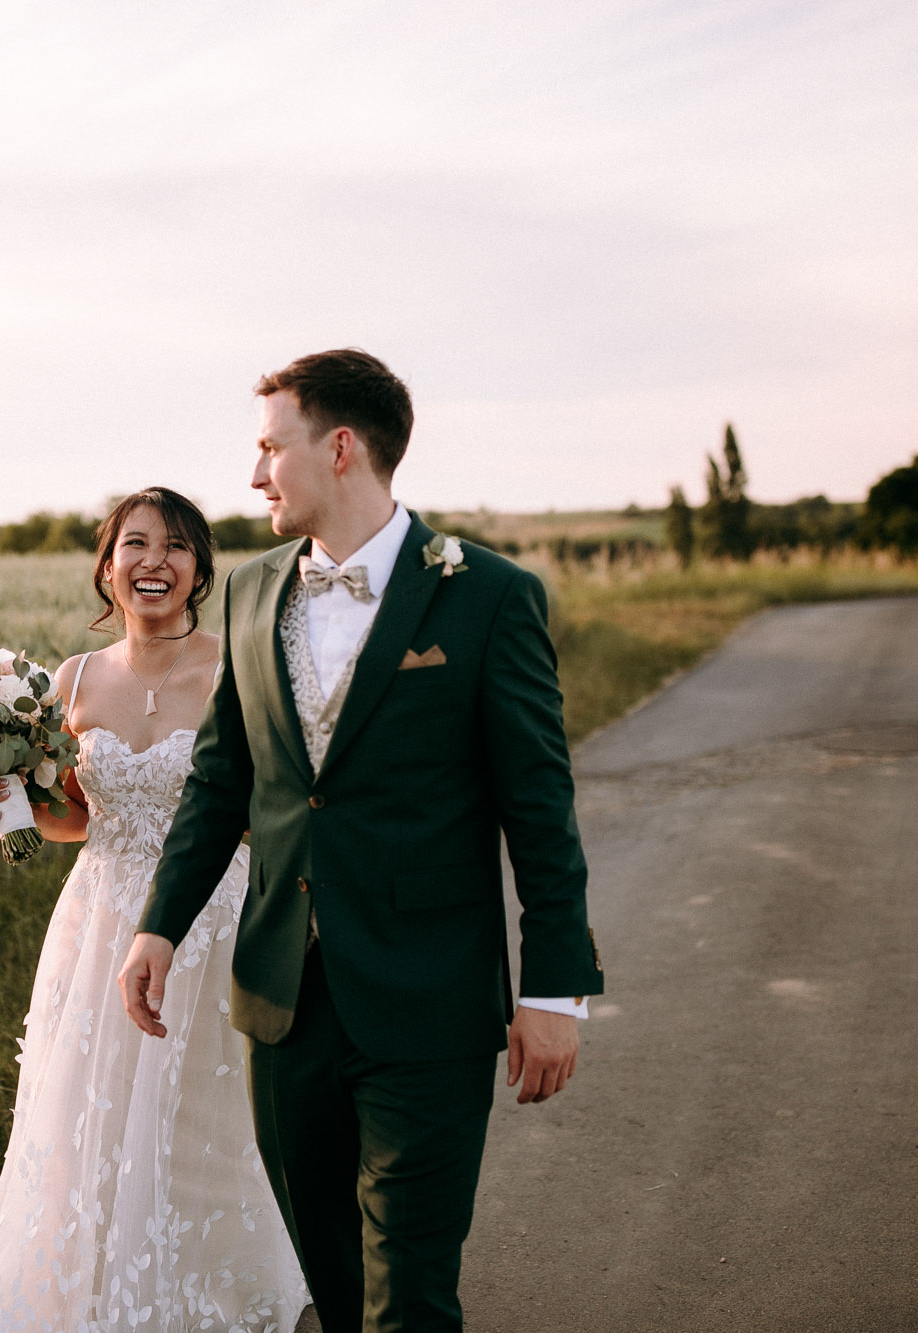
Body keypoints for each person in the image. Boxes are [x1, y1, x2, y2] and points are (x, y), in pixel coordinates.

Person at [118, 350, 605, 1332]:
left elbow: (538, 806)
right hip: (282, 1000)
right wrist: (159, 923)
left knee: (408, 1293)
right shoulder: (251, 593)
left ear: (339, 447)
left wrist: (554, 987)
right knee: (333, 1285)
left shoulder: (486, 596)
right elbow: (220, 781)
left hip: (429, 1002)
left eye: (270, 449)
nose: (255, 475)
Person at [0, 488, 310, 1333]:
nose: (156, 561)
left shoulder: (235, 668)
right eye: (136, 545)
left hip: (213, 917)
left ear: (199, 571)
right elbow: (77, 818)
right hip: (99, 919)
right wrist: (10, 806)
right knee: (97, 1115)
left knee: (205, 1119)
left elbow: (275, 804)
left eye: (177, 546)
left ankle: (217, 1291)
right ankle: (99, 1291)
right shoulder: (72, 679)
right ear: (108, 567)